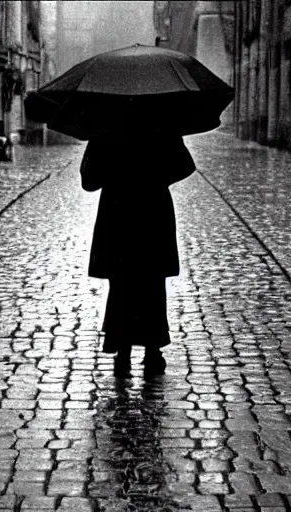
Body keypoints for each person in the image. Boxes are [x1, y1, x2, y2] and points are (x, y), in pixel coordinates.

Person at [80, 133, 195, 378]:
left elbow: (89, 181)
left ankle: (124, 354)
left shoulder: (108, 125)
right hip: (152, 211)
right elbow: (185, 165)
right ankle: (151, 353)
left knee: (122, 284)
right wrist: (155, 176)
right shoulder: (162, 122)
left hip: (118, 211)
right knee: (151, 284)